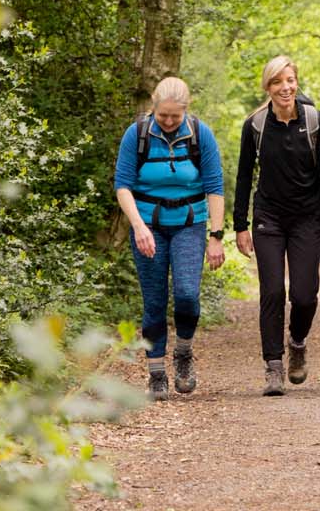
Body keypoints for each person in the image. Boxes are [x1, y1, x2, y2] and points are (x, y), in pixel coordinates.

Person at [113, 77, 226, 401]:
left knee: (187, 294)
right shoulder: (137, 135)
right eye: (163, 115)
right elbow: (123, 185)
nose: (169, 121)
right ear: (154, 105)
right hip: (148, 225)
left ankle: (184, 353)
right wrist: (138, 226)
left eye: (175, 116)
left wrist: (216, 237)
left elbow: (214, 186)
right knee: (154, 301)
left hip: (190, 223)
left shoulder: (199, 134)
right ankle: (156, 372)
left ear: (186, 111)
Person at [233, 56, 320, 397]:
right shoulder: (255, 126)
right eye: (278, 82)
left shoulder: (314, 121)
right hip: (269, 217)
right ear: (268, 87)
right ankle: (273, 367)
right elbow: (244, 175)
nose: (285, 87)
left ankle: (297, 341)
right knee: (273, 291)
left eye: (290, 80)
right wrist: (240, 225)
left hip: (307, 217)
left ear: (297, 82)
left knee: (305, 295)